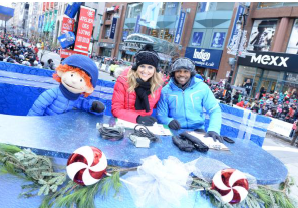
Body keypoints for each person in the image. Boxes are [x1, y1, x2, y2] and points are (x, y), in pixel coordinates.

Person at [156, 57, 223, 142]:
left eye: (186, 71)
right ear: (173, 73)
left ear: (191, 73)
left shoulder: (202, 87)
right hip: (175, 130)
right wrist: (168, 121)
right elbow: (161, 114)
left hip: (197, 131)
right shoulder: (166, 91)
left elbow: (214, 110)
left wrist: (214, 129)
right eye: (178, 71)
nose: (182, 75)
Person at [27, 54, 105, 116]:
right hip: (44, 127)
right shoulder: (52, 94)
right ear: (62, 72)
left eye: (81, 80)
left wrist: (95, 106)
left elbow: (84, 104)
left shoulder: (76, 99)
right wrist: (32, 126)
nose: (74, 81)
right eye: (72, 75)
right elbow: (37, 109)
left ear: (88, 87)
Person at [111, 44, 163, 126]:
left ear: (155, 70)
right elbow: (116, 109)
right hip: (124, 123)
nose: (145, 71)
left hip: (144, 126)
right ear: (136, 67)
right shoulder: (123, 81)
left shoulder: (157, 86)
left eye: (150, 67)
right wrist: (138, 118)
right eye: (142, 66)